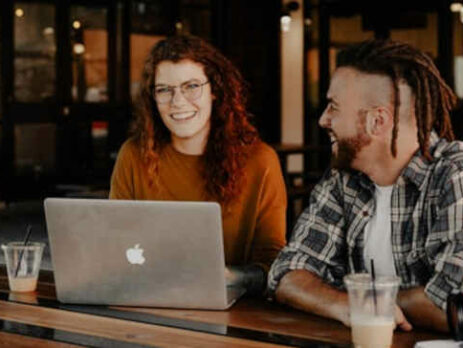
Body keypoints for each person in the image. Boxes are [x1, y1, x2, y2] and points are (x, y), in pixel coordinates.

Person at [268, 39, 463, 332]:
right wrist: (344, 305)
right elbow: (287, 274)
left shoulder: (454, 176)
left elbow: (451, 303)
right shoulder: (344, 177)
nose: (323, 119)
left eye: (333, 107)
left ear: (378, 121)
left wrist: (359, 299)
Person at [110, 35, 287, 294]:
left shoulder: (261, 161)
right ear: (152, 99)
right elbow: (113, 244)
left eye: (191, 86)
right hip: (147, 301)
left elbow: (274, 263)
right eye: (164, 90)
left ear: (215, 90)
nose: (178, 101)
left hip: (234, 311)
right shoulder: (133, 155)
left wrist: (228, 277)